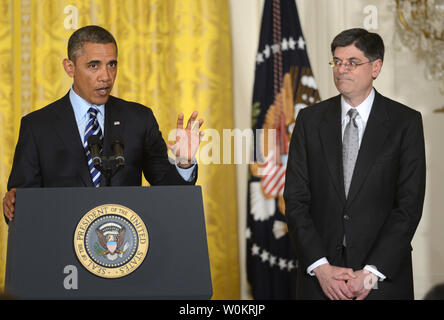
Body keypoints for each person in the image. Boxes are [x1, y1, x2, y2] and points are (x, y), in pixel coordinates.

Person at [3, 25, 203, 222]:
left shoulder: (139, 118)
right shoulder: (37, 126)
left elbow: (168, 192)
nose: (106, 77)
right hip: (60, 245)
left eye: (112, 65)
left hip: (126, 244)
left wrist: (183, 162)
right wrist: (13, 203)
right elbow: (21, 204)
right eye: (93, 65)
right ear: (69, 67)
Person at [283, 28, 426, 300]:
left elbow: (408, 206)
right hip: (321, 280)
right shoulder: (309, 121)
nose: (341, 69)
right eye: (336, 62)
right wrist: (320, 268)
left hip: (382, 280)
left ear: (376, 67)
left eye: (352, 62)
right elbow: (295, 200)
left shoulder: (405, 123)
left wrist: (372, 272)